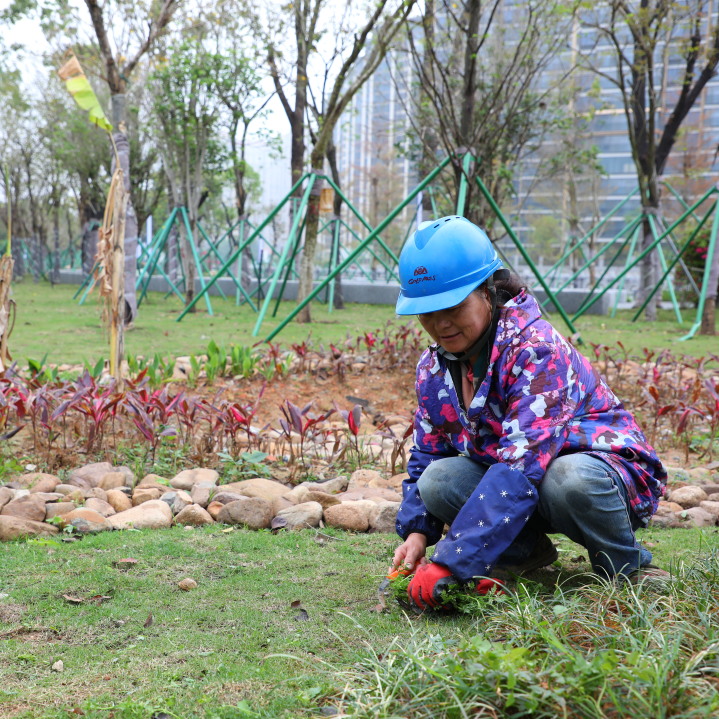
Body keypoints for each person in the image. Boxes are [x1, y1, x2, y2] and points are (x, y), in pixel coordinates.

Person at [390, 216, 669, 611]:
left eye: (453, 306)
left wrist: (451, 562)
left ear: (487, 292)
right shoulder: (433, 369)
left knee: (567, 477)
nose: (440, 324)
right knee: (438, 479)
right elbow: (430, 453)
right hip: (523, 485)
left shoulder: (536, 351)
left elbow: (521, 466)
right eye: (427, 312)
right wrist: (418, 533)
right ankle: (521, 552)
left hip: (600, 475)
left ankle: (627, 565)